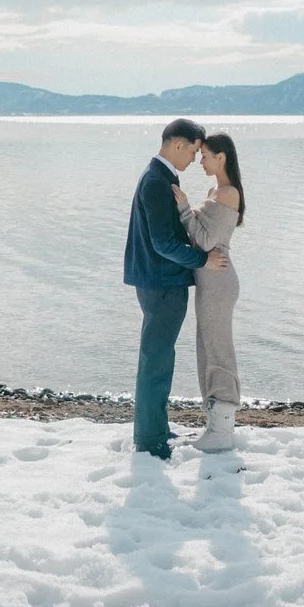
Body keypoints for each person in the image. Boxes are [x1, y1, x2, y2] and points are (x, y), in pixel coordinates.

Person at [121, 116, 219, 459]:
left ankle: (155, 429)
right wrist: (202, 260)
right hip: (161, 283)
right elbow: (163, 243)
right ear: (178, 145)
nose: (194, 159)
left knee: (159, 357)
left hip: (156, 281)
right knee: (156, 360)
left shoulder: (160, 177)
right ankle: (149, 441)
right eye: (193, 151)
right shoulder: (156, 182)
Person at [174, 130, 246, 451]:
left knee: (218, 349)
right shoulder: (214, 191)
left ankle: (222, 430)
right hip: (209, 279)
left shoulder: (228, 193)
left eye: (205, 155)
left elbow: (203, 241)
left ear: (221, 157)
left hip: (218, 281)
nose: (200, 160)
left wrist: (185, 208)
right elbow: (202, 237)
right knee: (206, 348)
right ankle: (215, 424)